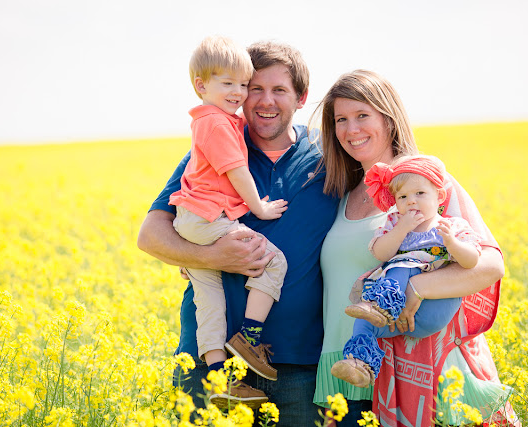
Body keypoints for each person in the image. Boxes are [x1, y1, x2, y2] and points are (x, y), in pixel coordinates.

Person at [138, 40, 339, 425]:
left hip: (298, 365)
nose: (264, 101)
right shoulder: (215, 146)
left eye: (279, 90)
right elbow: (150, 235)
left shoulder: (329, 155)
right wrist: (205, 257)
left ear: (301, 97)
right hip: (206, 367)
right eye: (254, 88)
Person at [312, 69, 519, 426]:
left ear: (389, 121)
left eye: (363, 115)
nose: (351, 129)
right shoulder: (341, 192)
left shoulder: (428, 184)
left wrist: (415, 287)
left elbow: (489, 265)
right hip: (346, 369)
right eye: (340, 120)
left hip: (410, 367)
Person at [169, 35, 288, 394]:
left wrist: (190, 249)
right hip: (207, 217)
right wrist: (260, 208)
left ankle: (221, 378)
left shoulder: (213, 120)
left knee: (210, 302)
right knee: (273, 262)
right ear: (201, 85)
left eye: (242, 84)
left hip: (193, 220)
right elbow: (237, 171)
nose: (238, 92)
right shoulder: (217, 124)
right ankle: (249, 337)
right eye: (228, 84)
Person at [330, 154, 483, 388]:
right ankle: (360, 365)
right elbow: (381, 253)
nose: (411, 201)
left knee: (402, 265)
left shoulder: (451, 227)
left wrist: (452, 244)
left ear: (439, 196)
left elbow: (472, 261)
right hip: (396, 316)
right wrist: (401, 229)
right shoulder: (394, 222)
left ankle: (381, 303)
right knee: (363, 321)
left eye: (419, 194)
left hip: (435, 307)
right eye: (403, 196)